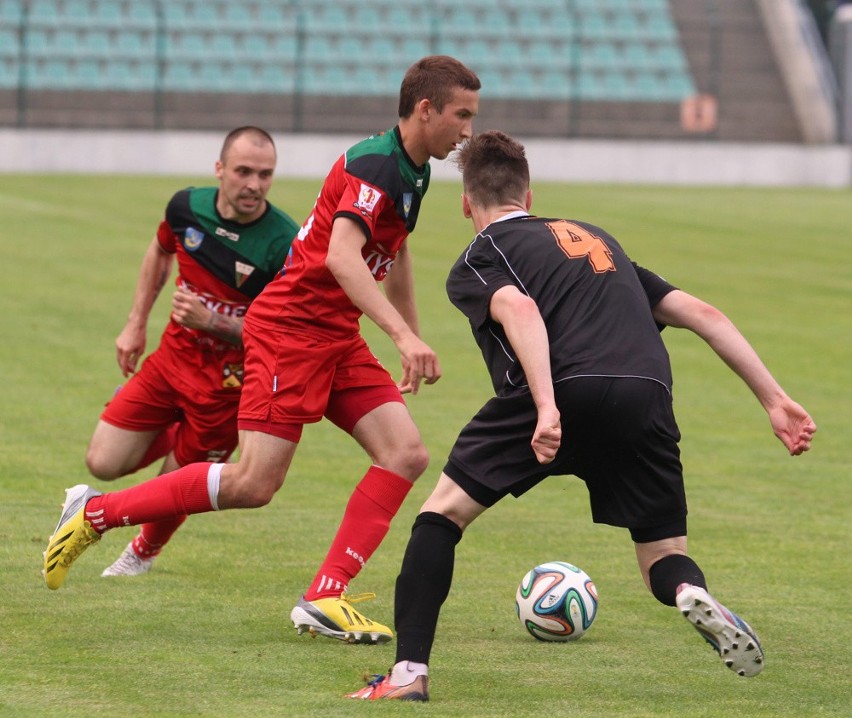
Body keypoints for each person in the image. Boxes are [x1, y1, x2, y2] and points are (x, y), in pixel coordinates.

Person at [345, 130, 817, 701]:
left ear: (467, 202)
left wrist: (545, 405)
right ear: (530, 194)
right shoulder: (596, 239)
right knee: (664, 556)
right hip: (646, 393)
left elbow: (519, 309)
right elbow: (701, 312)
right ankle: (692, 591)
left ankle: (407, 677)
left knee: (440, 518)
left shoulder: (481, 256)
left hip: (560, 392)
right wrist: (773, 399)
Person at [43, 56, 482, 645]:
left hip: (333, 335)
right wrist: (402, 336)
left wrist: (410, 330)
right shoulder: (378, 166)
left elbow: (393, 253)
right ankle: (96, 514)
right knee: (253, 484)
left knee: (404, 453)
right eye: (462, 115)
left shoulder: (414, 168)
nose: (468, 131)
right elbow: (342, 257)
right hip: (290, 332)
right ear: (426, 110)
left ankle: (325, 596)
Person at [83, 126, 301, 577]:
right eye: (243, 171)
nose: (254, 185)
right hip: (169, 364)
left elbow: (288, 336)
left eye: (265, 174)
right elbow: (160, 251)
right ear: (219, 169)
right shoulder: (186, 208)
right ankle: (176, 437)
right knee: (101, 462)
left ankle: (142, 553)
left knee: (170, 485)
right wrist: (135, 322)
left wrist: (215, 322)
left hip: (227, 388)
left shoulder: (285, 244)